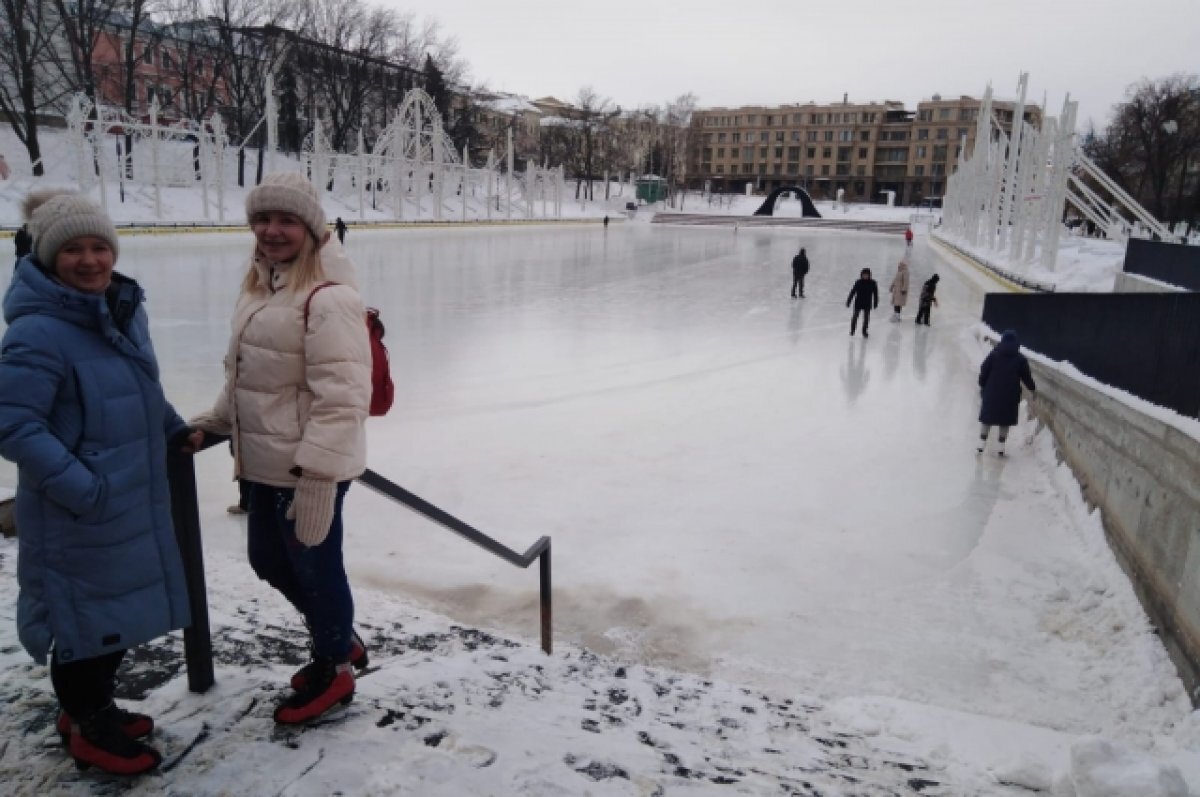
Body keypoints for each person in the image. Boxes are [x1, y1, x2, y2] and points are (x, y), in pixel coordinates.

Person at [0, 190, 199, 775]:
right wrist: (81, 487)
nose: (89, 261)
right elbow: (12, 424)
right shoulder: (37, 332)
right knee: (81, 623)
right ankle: (87, 722)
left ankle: (93, 709)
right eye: (73, 250)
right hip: (77, 510)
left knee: (110, 621)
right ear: (46, 258)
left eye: (99, 247)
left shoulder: (117, 311)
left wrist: (172, 429)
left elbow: (139, 389)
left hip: (122, 499)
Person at [190, 172, 372, 725]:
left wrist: (318, 475)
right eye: (262, 220)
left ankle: (335, 667)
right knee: (267, 560)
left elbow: (343, 397)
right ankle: (337, 636)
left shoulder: (328, 297)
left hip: (307, 469)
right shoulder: (263, 286)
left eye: (285, 220)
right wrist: (215, 423)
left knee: (317, 570)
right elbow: (244, 375)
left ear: (311, 230)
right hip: (262, 462)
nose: (271, 230)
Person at [977, 329, 1036, 455]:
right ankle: (1001, 447)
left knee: (987, 418)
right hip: (1010, 395)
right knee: (1005, 419)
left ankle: (981, 444)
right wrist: (1032, 388)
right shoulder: (1020, 360)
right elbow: (1026, 377)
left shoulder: (993, 355)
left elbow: (984, 369)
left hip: (991, 393)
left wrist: (982, 384)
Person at [845, 267, 879, 338]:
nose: (865, 276)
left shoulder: (873, 283)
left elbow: (875, 294)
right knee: (855, 317)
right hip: (858, 303)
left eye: (867, 275)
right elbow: (853, 292)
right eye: (864, 275)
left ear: (869, 275)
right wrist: (849, 301)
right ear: (861, 275)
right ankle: (852, 330)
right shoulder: (858, 282)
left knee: (866, 319)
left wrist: (875, 302)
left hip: (867, 303)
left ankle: (864, 331)